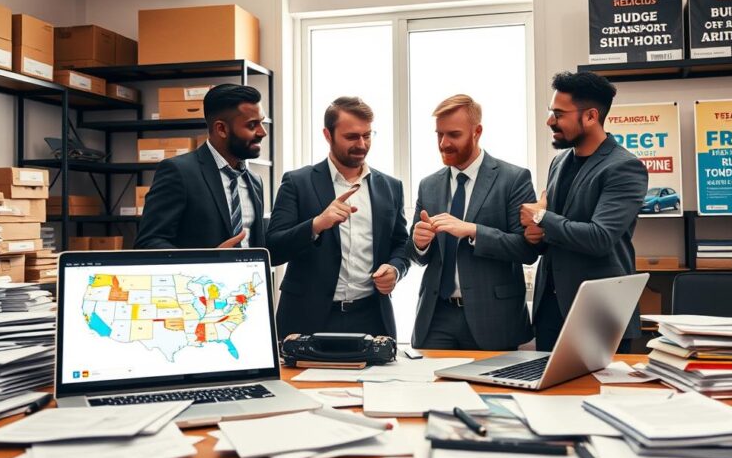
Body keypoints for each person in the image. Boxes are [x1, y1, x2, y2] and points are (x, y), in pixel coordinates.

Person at [520, 71, 648, 352]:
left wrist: (541, 217)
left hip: (598, 313)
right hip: (550, 310)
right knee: (545, 395)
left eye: (558, 114)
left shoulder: (624, 167)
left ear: (590, 116)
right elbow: (556, 230)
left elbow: (600, 237)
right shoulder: (560, 161)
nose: (549, 121)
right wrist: (536, 234)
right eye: (550, 112)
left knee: (597, 395)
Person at [267, 97, 410, 339]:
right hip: (307, 318)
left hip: (372, 318)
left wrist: (395, 270)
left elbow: (401, 244)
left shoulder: (391, 187)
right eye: (352, 137)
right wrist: (316, 224)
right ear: (327, 135)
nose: (362, 144)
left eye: (367, 135)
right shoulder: (297, 182)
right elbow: (274, 248)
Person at [407, 95, 537, 350]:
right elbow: (417, 256)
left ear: (477, 132)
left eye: (453, 134)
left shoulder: (513, 179)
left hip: (494, 318)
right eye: (439, 135)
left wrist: (473, 231)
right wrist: (419, 243)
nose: (444, 143)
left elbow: (527, 250)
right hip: (435, 318)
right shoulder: (428, 185)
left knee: (490, 391)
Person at [135, 84, 267, 249]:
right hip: (199, 276)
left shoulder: (255, 182)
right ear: (221, 129)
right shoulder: (178, 172)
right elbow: (148, 243)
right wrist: (207, 263)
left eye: (262, 123)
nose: (263, 132)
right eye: (252, 125)